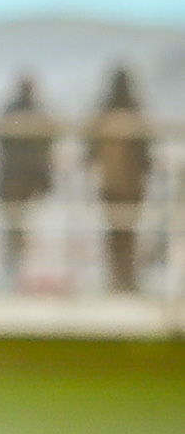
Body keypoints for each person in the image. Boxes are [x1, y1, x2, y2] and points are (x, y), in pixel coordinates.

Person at [87, 66, 151, 293]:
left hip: (110, 184)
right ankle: (126, 278)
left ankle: (116, 278)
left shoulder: (103, 115)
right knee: (129, 232)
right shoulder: (136, 112)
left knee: (114, 232)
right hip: (132, 185)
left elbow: (90, 152)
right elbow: (147, 154)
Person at [0, 76, 52, 286]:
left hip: (12, 182)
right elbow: (46, 147)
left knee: (14, 230)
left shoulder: (10, 112)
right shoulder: (39, 114)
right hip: (27, 182)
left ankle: (14, 275)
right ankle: (18, 275)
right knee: (20, 229)